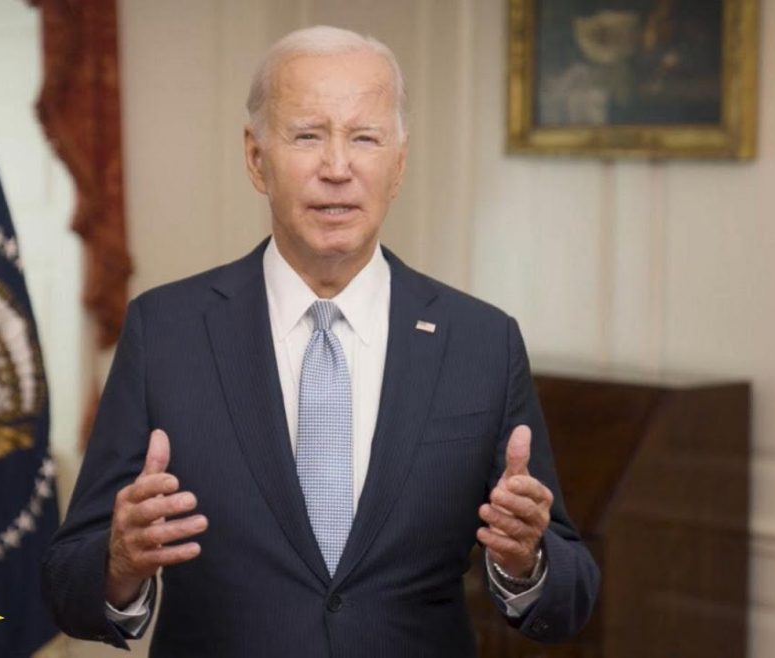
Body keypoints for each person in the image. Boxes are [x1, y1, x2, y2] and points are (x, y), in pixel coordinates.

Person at [41, 25, 599, 656]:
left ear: (399, 163)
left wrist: (527, 562)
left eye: (365, 138)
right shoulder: (165, 332)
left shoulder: (482, 343)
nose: (337, 168)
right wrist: (119, 562)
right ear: (256, 158)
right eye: (307, 136)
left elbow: (572, 595)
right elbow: (65, 585)